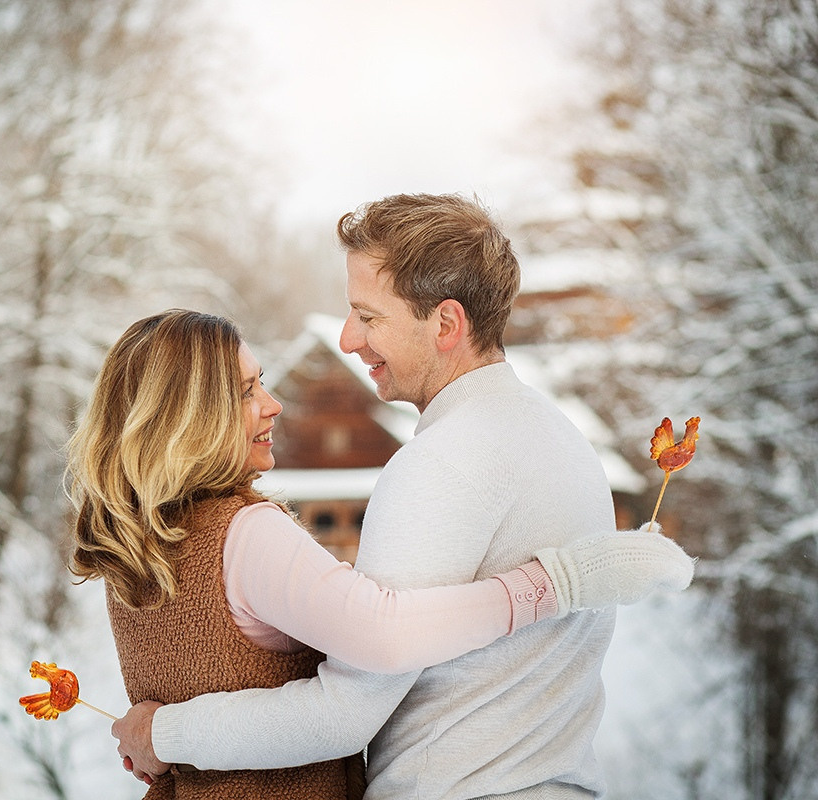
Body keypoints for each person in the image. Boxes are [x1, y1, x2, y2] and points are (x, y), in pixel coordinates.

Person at [111, 194, 683, 799]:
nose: (348, 337)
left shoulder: (440, 464)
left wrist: (165, 732)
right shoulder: (563, 440)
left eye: (368, 315)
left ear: (444, 324)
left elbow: (345, 711)